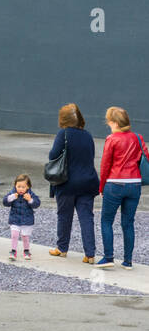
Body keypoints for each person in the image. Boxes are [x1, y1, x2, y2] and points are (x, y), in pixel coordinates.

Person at [47, 104, 99, 263]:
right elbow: (91, 156)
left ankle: (62, 249)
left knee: (64, 216)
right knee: (86, 217)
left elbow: (53, 155)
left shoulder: (63, 134)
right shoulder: (88, 135)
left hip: (66, 182)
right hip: (88, 182)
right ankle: (90, 254)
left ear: (62, 119)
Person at [96, 106, 147, 270]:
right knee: (128, 223)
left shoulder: (112, 139)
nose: (108, 124)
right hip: (134, 184)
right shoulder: (138, 138)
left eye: (109, 121)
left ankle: (108, 257)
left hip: (115, 183)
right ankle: (128, 261)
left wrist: (101, 187)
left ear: (115, 123)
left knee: (106, 221)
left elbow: (105, 166)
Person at [2, 174, 41, 260]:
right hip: (15, 219)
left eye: (23, 187)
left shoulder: (30, 194)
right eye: (18, 186)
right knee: (14, 235)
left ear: (28, 187)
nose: (20, 189)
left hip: (27, 220)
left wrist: (30, 200)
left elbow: (37, 204)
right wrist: (11, 197)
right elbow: (5, 202)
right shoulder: (13, 193)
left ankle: (26, 251)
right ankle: (13, 251)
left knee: (25, 236)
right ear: (15, 186)